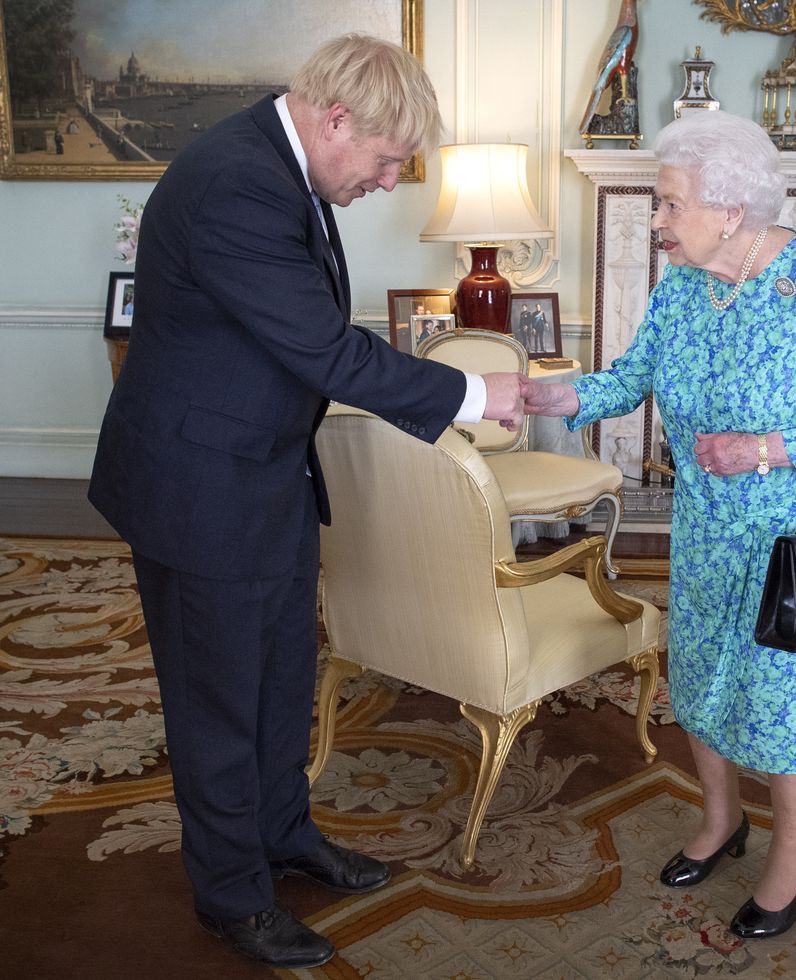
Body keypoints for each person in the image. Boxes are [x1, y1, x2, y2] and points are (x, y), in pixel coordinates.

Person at [88, 34, 525, 970]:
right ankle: (232, 897)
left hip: (265, 473)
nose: (383, 180)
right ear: (335, 120)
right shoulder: (236, 183)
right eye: (382, 161)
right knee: (218, 702)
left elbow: (306, 336)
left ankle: (284, 837)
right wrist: (476, 394)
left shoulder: (283, 165)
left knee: (281, 676)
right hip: (199, 490)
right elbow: (325, 350)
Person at [520, 110, 796, 941]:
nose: (655, 220)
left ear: (729, 209)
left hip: (788, 538)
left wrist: (763, 449)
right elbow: (633, 376)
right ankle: (722, 820)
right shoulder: (682, 288)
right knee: (698, 680)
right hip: (704, 532)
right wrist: (564, 396)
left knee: (779, 698)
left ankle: (794, 855)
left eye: (668, 204)